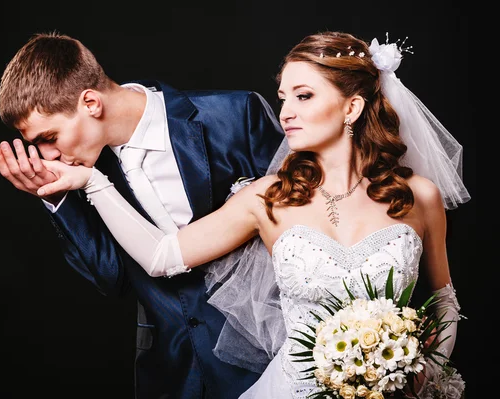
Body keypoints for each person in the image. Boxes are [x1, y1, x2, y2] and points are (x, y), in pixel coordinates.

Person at [34, 31, 470, 398]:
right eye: (283, 97)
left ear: (351, 108)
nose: (285, 113)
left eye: (304, 96)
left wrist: (425, 369)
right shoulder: (269, 197)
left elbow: (445, 299)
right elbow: (162, 255)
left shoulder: (419, 196)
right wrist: (94, 184)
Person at [0, 32, 285, 398]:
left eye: (49, 137)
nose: (46, 155)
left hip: (266, 359)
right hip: (172, 373)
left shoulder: (234, 115)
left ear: (90, 103)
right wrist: (56, 196)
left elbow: (305, 230)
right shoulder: (83, 172)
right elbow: (112, 278)